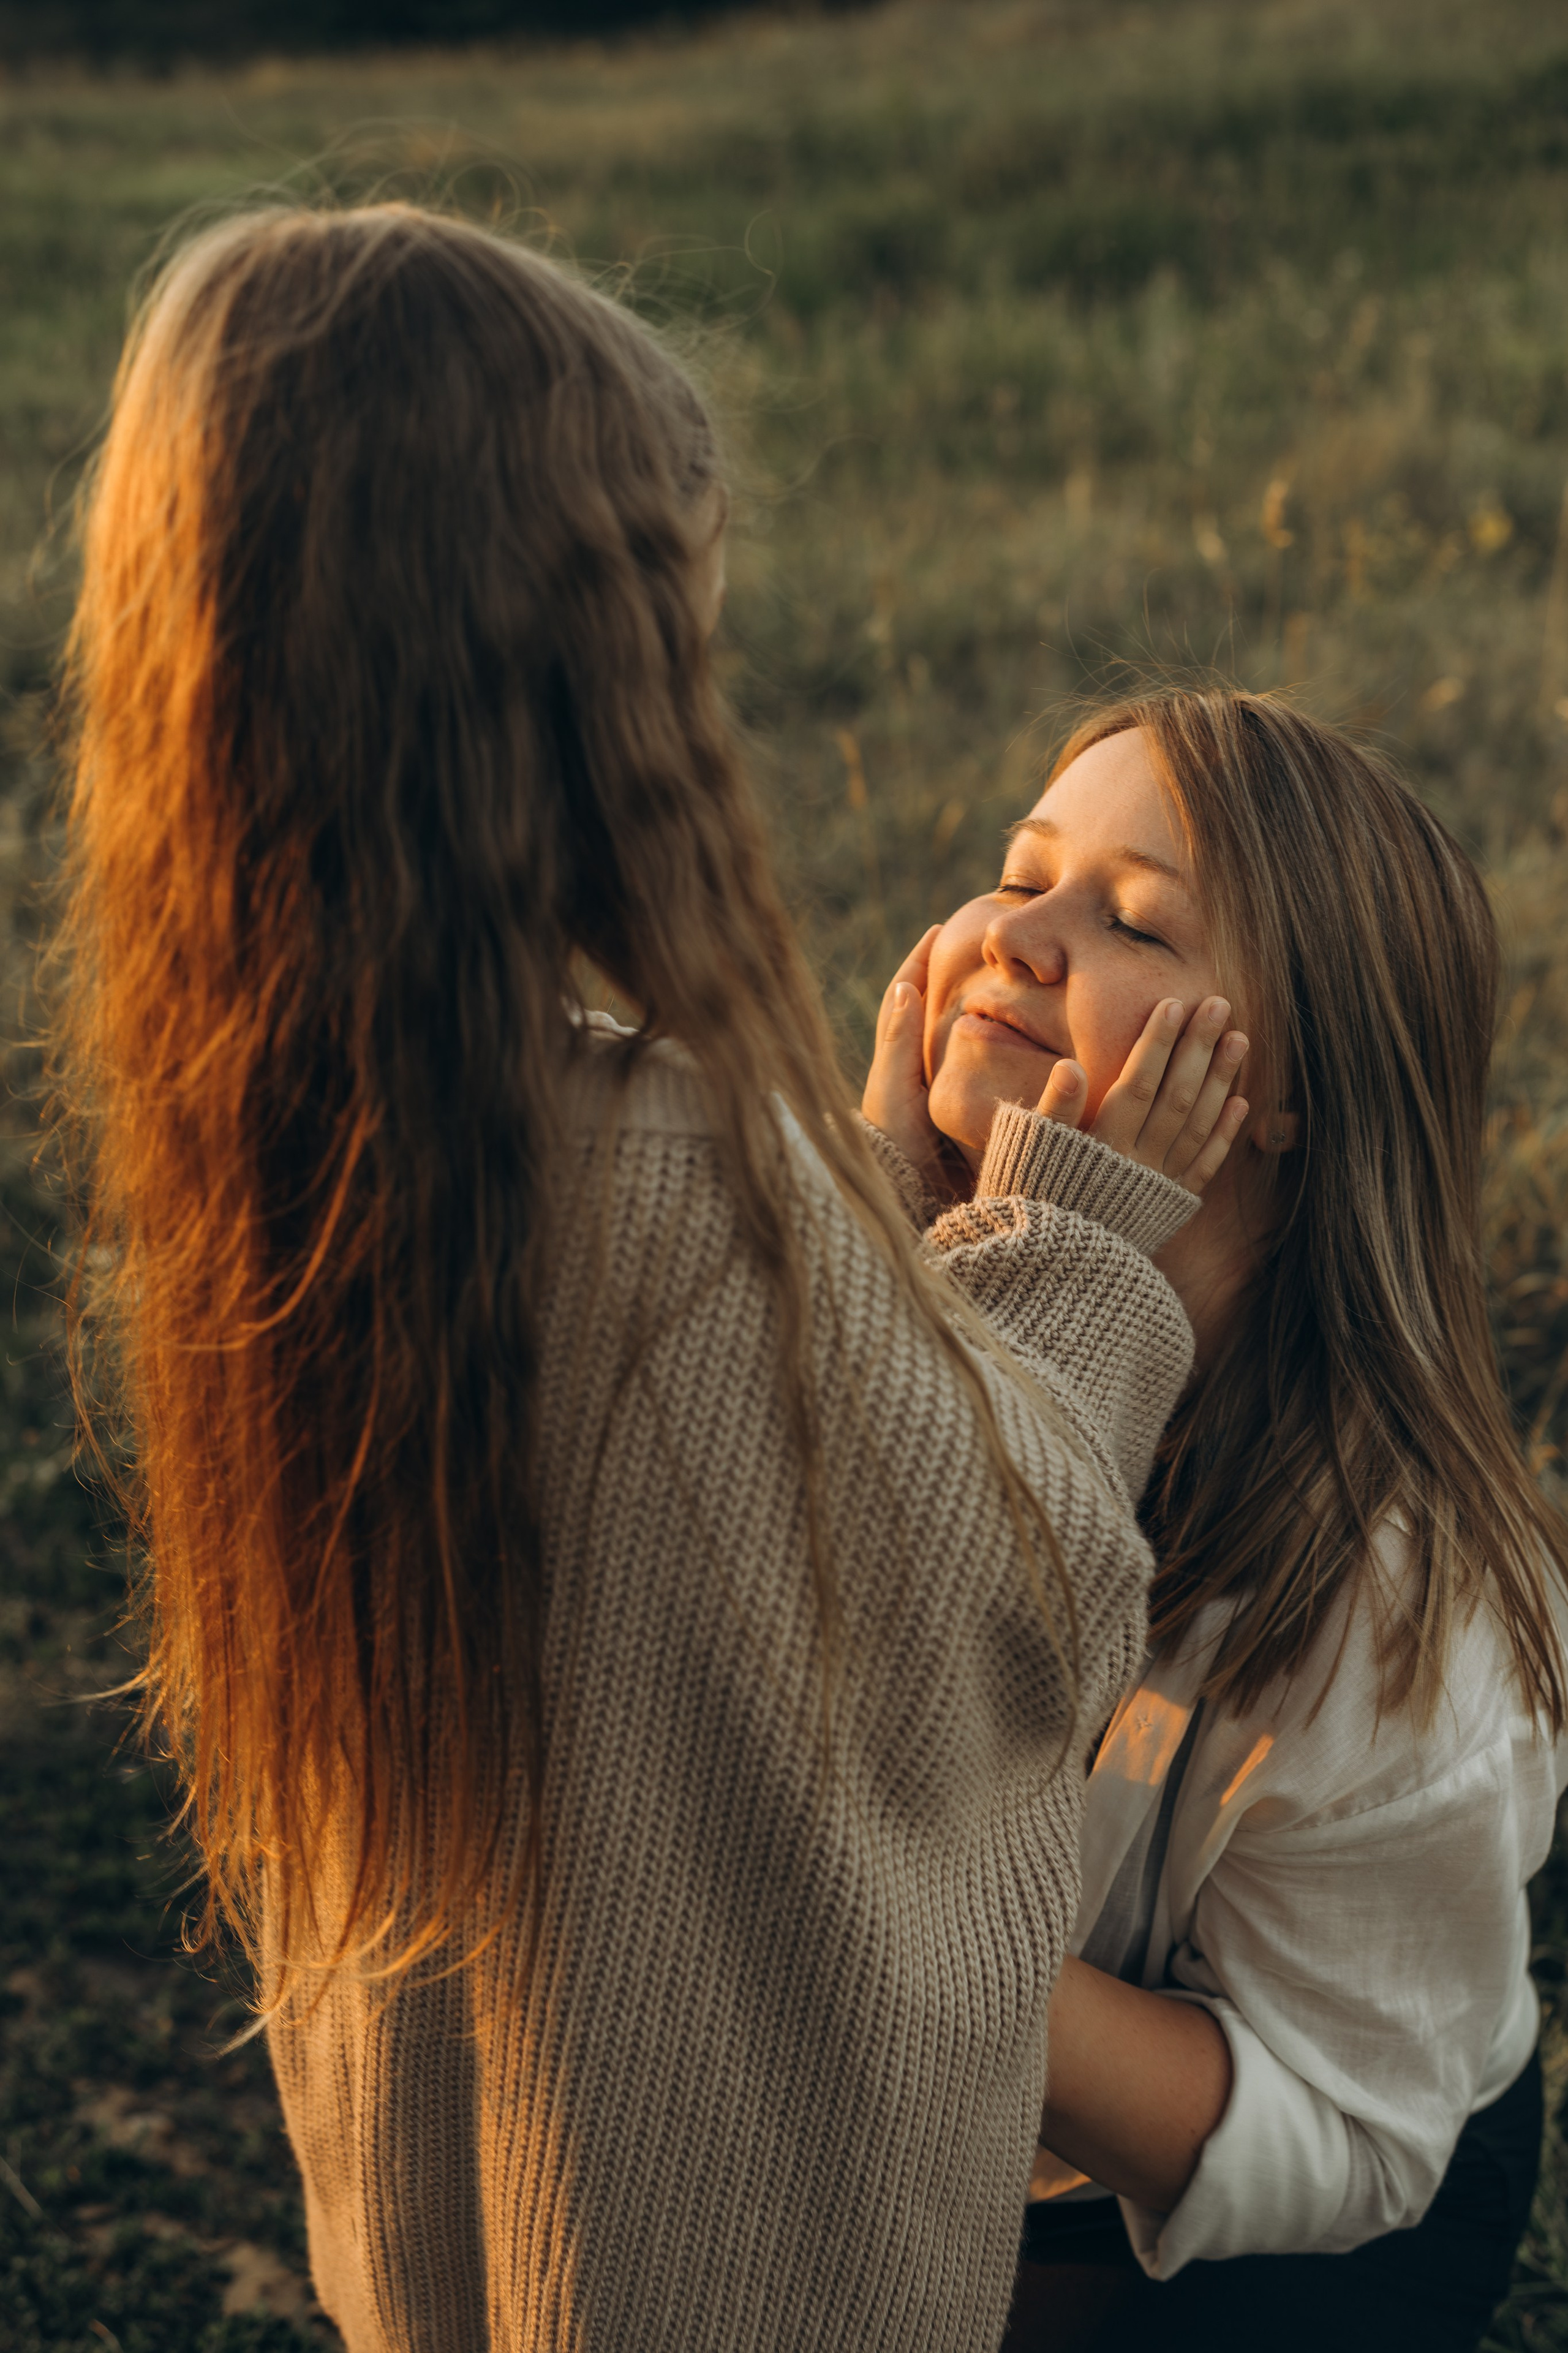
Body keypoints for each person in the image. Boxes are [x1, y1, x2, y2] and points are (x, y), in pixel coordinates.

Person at [56, 206, 1253, 2353]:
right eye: (674, 644)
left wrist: (858, 1222)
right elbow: (1001, 1624)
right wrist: (1062, 1255)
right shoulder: (698, 1193)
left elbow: (677, 1567)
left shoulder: (286, 1172)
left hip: (444, 2266)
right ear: (572, 701)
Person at [861, 688, 1568, 2353]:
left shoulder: (1397, 1611)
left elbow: (1344, 2128)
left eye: (1131, 921)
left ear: (1291, 1088)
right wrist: (862, 1224)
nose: (1014, 935)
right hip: (950, 2057)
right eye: (1020, 870)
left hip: (1273, 2194)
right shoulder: (907, 1294)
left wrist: (869, 1921)